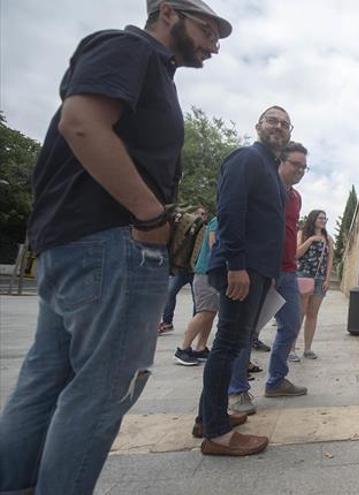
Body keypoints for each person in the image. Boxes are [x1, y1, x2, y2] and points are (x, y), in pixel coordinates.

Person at [0, 1, 230, 492]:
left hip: (81, 245)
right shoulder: (130, 47)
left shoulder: (150, 68)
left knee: (45, 381)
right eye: (207, 30)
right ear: (167, 12)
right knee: (103, 391)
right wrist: (149, 215)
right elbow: (81, 122)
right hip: (112, 244)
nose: (214, 45)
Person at [195, 106, 290, 456]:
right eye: (272, 120)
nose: (278, 126)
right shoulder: (246, 158)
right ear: (258, 126)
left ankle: (208, 418)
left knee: (230, 344)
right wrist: (237, 265)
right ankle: (217, 435)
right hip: (241, 270)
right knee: (228, 345)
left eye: (284, 123)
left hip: (255, 271)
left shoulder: (268, 167)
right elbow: (230, 211)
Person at [264, 142, 310, 395]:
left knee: (291, 324)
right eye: (296, 164)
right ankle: (236, 388)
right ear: (280, 162)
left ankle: (276, 380)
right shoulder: (266, 189)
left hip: (288, 270)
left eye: (304, 167)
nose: (300, 170)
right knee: (247, 330)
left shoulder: (295, 197)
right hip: (264, 269)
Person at [174, 213, 219, 365]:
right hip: (205, 273)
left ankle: (201, 348)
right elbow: (214, 244)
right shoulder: (218, 221)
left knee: (210, 312)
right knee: (204, 312)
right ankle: (183, 348)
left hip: (210, 273)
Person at [159, 205, 207, 335]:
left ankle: (194, 326)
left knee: (197, 299)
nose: (200, 217)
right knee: (169, 292)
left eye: (203, 215)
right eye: (199, 214)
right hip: (182, 269)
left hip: (195, 270)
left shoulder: (205, 231)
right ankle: (167, 322)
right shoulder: (185, 230)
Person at [295, 209, 334, 360]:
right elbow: (297, 254)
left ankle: (307, 349)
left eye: (325, 218)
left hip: (319, 279)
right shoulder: (302, 234)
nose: (323, 221)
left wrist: (327, 279)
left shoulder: (328, 238)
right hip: (303, 276)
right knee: (299, 314)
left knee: (312, 314)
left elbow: (330, 260)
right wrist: (311, 240)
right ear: (313, 219)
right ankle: (291, 349)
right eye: (320, 218)